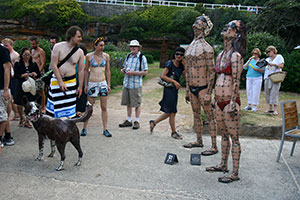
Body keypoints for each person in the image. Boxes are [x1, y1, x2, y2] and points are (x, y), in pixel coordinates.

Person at [206, 20, 247, 183]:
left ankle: (235, 172)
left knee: (234, 137)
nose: (226, 28)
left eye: (231, 27)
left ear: (236, 34)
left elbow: (237, 80)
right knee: (223, 135)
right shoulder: (221, 55)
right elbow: (216, 77)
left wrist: (232, 102)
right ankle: (223, 164)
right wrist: (213, 97)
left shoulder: (236, 56)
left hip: (231, 102)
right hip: (219, 101)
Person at [183, 15, 218, 156]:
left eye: (198, 24)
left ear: (204, 27)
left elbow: (211, 72)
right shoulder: (190, 47)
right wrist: (187, 88)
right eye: (195, 24)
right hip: (192, 87)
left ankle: (214, 145)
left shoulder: (207, 48)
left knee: (210, 116)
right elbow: (187, 71)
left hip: (203, 87)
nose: (195, 26)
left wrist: (209, 92)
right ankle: (199, 140)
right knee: (196, 115)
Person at [46, 25, 85, 118]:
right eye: (78, 36)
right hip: (57, 81)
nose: (81, 39)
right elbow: (54, 65)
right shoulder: (58, 47)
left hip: (71, 82)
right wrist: (60, 81)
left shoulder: (80, 52)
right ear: (71, 36)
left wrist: (80, 86)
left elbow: (81, 70)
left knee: (69, 110)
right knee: (55, 110)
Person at [149, 47, 186, 139]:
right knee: (172, 112)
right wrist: (174, 82)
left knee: (170, 112)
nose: (179, 56)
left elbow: (186, 76)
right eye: (177, 54)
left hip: (174, 90)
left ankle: (154, 122)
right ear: (174, 54)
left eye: (181, 55)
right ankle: (173, 132)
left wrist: (186, 65)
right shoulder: (170, 64)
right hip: (169, 89)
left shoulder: (181, 66)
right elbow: (163, 75)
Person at [81, 38, 112, 137]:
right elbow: (86, 70)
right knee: (89, 106)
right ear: (95, 46)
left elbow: (108, 70)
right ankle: (84, 128)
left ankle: (105, 128)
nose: (102, 47)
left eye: (103, 45)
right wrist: (85, 85)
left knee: (104, 107)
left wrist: (108, 84)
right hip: (92, 83)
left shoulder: (106, 56)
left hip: (102, 83)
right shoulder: (89, 56)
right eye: (100, 45)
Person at [119, 40, 148, 130]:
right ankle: (128, 120)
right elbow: (125, 67)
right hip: (127, 83)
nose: (132, 48)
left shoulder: (142, 58)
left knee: (137, 104)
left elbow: (145, 72)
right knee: (128, 103)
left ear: (138, 47)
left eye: (134, 47)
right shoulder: (128, 56)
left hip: (135, 84)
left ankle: (137, 121)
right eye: (131, 46)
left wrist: (133, 73)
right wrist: (123, 70)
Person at [14, 47, 41, 128]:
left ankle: (27, 120)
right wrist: (22, 75)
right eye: (25, 55)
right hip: (21, 85)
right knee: (19, 103)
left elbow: (38, 74)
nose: (27, 56)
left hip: (30, 86)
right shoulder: (18, 64)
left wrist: (35, 74)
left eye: (28, 55)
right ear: (22, 55)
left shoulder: (33, 64)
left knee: (30, 103)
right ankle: (21, 118)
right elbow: (15, 75)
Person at [1, 38, 19, 146]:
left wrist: (6, 89)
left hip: (9, 83)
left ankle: (6, 136)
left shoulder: (14, 55)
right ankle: (7, 135)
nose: (6, 46)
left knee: (4, 113)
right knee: (5, 112)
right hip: (7, 84)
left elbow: (10, 70)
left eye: (7, 45)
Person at [264, 45, 284, 115]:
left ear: (273, 51)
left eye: (269, 52)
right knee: (267, 92)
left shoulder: (279, 56)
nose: (268, 53)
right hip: (267, 77)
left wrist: (273, 64)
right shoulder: (267, 59)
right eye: (267, 52)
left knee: (274, 92)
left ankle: (275, 109)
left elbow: (281, 66)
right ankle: (270, 108)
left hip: (276, 77)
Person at [243, 48, 264, 112]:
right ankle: (249, 105)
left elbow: (263, 70)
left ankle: (254, 106)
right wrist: (249, 60)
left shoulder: (260, 61)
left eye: (256, 53)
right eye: (253, 53)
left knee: (256, 92)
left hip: (257, 78)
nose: (254, 55)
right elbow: (244, 67)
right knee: (249, 91)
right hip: (249, 77)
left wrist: (257, 70)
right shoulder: (250, 60)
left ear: (258, 54)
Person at [30, 36, 46, 113]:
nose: (32, 45)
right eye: (31, 44)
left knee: (41, 91)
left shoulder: (41, 51)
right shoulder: (32, 50)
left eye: (33, 44)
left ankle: (43, 107)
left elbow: (43, 63)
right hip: (32, 73)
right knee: (32, 90)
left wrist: (38, 73)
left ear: (37, 43)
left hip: (39, 73)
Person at [0, 44, 11, 151]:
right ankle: (7, 136)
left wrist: (6, 89)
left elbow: (7, 70)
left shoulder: (3, 50)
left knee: (2, 115)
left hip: (1, 89)